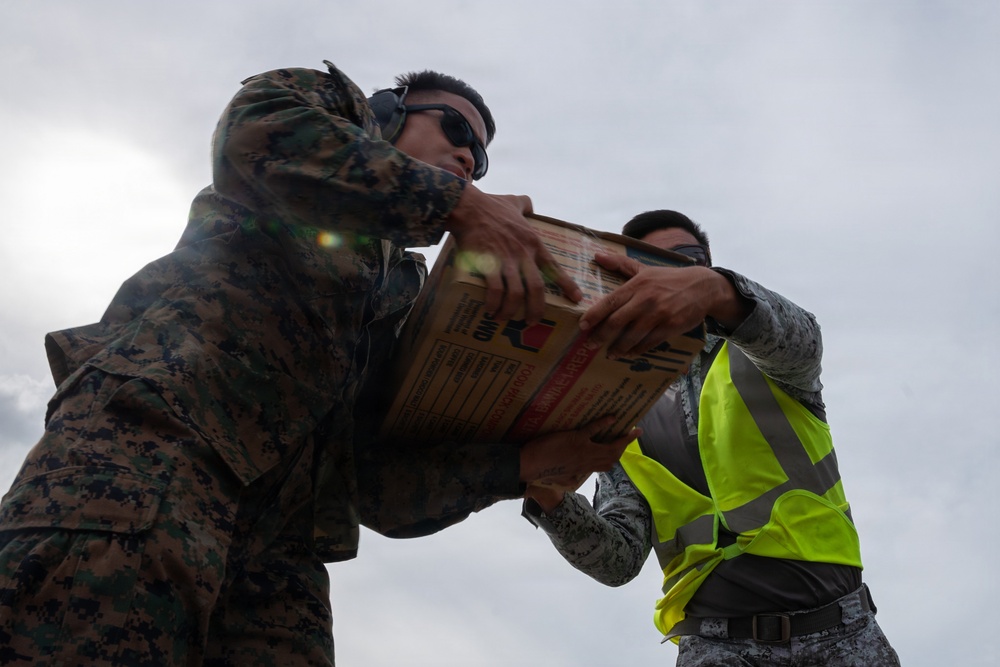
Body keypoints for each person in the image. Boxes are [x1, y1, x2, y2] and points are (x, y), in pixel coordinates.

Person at [0, 61, 634, 666]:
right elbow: (256, 134)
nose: (471, 157)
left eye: (482, 157)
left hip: (282, 558)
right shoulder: (322, 110)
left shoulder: (405, 290)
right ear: (388, 114)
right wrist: (458, 206)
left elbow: (378, 486)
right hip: (150, 463)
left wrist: (519, 466)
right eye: (457, 130)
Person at [523, 210, 900, 666]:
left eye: (686, 260)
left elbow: (803, 340)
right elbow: (616, 560)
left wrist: (718, 290)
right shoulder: (616, 412)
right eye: (651, 262)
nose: (672, 274)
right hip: (715, 646)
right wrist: (546, 494)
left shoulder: (762, 354)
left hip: (841, 635)